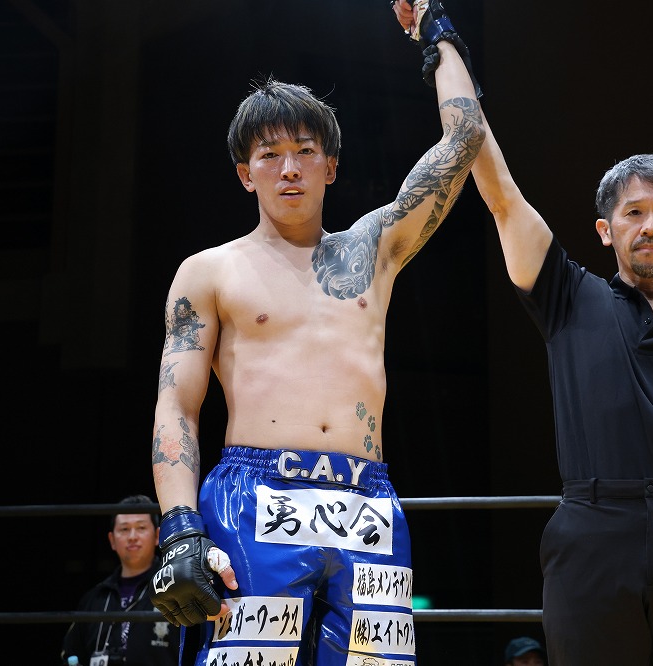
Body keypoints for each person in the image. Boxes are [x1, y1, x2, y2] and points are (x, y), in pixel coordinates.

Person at [391, 3, 653, 664]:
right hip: (590, 534)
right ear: (605, 230)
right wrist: (441, 41)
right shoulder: (568, 298)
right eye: (633, 212)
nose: (650, 226)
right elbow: (496, 186)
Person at [147, 2, 485, 664]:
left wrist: (435, 30)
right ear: (245, 173)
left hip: (367, 499)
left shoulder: (373, 251)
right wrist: (180, 527)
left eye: (305, 152)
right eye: (269, 155)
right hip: (253, 497)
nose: (289, 169)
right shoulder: (209, 272)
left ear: (331, 166)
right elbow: (176, 406)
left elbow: (464, 139)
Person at [61, 494, 179, 666]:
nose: (132, 536)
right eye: (124, 529)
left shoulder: (175, 589)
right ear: (112, 540)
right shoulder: (94, 599)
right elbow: (70, 655)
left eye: (141, 528)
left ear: (157, 536)